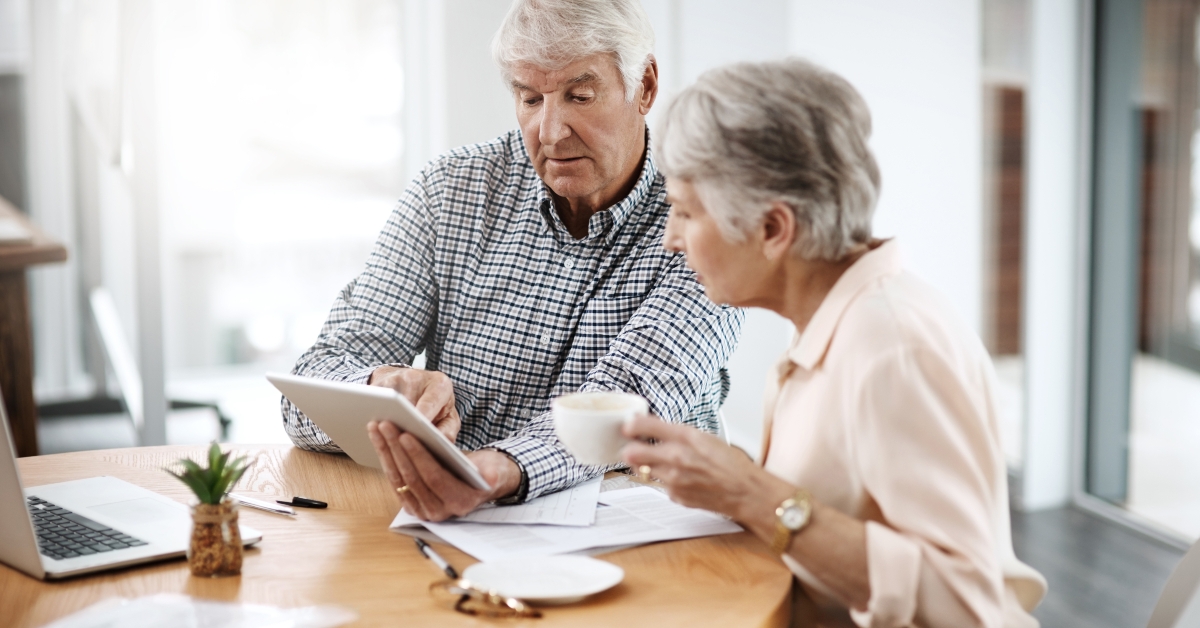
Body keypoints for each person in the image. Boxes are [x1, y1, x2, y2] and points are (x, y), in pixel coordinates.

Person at [620, 58, 1047, 627]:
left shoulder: (895, 348)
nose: (671, 240)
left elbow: (973, 607)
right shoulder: (832, 321)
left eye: (685, 212)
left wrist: (752, 493)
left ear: (774, 229)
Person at [281, 0, 742, 520]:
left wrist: (495, 472)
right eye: (529, 99)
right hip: (456, 523)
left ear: (646, 87)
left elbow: (624, 413)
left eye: (580, 96)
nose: (550, 131)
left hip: (643, 532)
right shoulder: (451, 192)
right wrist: (379, 391)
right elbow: (307, 392)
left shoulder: (704, 218)